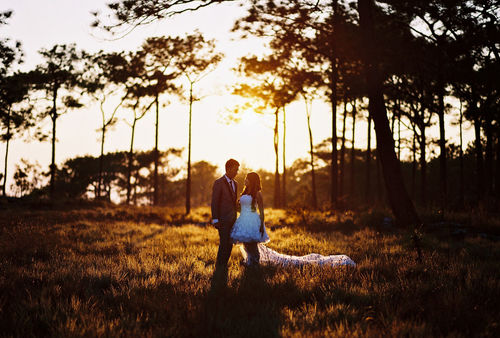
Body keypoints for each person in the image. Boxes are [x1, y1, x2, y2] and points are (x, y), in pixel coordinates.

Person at [230, 172, 270, 266]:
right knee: (246, 244)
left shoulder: (257, 194)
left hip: (253, 221)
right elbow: (241, 209)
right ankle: (250, 262)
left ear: (252, 181)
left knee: (252, 245)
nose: (245, 180)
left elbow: (262, 211)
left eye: (247, 178)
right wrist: (236, 207)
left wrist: (261, 226)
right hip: (243, 220)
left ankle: (255, 263)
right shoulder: (244, 192)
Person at [211, 159, 240, 272]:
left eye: (238, 170)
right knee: (224, 243)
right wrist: (215, 219)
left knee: (230, 244)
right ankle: (219, 266)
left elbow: (233, 202)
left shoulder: (236, 184)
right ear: (228, 169)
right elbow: (215, 202)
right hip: (222, 220)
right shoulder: (218, 183)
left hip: (233, 219)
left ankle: (224, 266)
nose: (237, 172)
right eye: (235, 169)